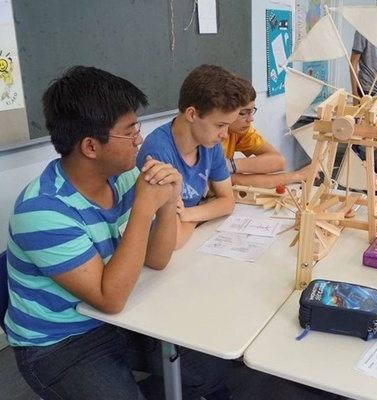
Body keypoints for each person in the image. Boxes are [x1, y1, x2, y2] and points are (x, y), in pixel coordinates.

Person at [4, 66, 233, 400]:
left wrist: (169, 200)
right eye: (130, 132)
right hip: (60, 342)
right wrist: (143, 208)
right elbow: (109, 299)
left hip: (121, 315)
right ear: (90, 146)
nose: (140, 140)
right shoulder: (42, 211)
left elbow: (157, 260)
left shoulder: (122, 178)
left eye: (137, 127)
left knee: (211, 369)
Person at [137, 64, 246, 249]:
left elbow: (227, 202)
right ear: (192, 114)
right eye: (220, 125)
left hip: (192, 241)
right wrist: (203, 214)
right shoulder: (157, 152)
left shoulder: (209, 144)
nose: (225, 134)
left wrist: (188, 215)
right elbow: (173, 240)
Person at [222, 75, 312, 188]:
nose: (251, 119)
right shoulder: (207, 140)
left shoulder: (240, 130)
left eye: (251, 111)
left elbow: (279, 161)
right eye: (244, 113)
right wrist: (297, 176)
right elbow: (238, 181)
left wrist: (230, 165)